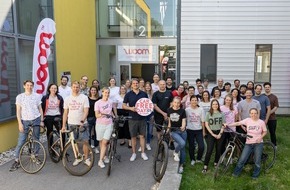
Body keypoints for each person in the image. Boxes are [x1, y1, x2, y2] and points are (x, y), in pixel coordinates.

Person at [10, 80, 44, 172]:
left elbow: (40, 109)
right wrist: (19, 123)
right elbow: (18, 111)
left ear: (33, 86)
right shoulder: (20, 97)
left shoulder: (37, 96)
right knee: (21, 140)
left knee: (36, 139)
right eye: (28, 85)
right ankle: (17, 160)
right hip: (24, 120)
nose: (29, 87)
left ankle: (35, 156)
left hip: (36, 119)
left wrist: (41, 120)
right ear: (24, 86)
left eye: (31, 85)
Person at [228, 108, 267, 179]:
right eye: (252, 113)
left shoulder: (261, 122)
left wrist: (260, 137)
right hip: (248, 143)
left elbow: (265, 132)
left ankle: (255, 176)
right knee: (242, 159)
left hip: (258, 143)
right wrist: (228, 125)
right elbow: (238, 123)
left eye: (255, 113)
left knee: (257, 161)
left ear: (257, 114)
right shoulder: (247, 120)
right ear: (249, 114)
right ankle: (235, 174)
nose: (253, 115)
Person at [62, 81, 91, 167]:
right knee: (75, 142)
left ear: (80, 88)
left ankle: (86, 158)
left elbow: (86, 110)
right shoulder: (67, 99)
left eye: (77, 87)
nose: (76, 88)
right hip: (71, 123)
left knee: (85, 141)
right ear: (71, 87)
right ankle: (78, 157)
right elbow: (65, 113)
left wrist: (83, 120)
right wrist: (63, 125)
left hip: (83, 124)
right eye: (74, 87)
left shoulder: (84, 97)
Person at [123, 78, 149, 161]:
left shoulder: (144, 94)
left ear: (139, 84)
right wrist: (130, 108)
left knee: (142, 136)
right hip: (132, 118)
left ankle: (143, 153)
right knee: (133, 137)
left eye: (137, 83)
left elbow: (148, 104)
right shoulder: (128, 94)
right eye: (133, 83)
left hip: (142, 118)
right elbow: (123, 106)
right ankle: (134, 153)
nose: (135, 84)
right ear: (131, 85)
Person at [202, 99, 225, 174]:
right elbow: (206, 124)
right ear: (211, 105)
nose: (215, 105)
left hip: (219, 132)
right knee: (209, 150)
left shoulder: (221, 113)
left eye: (216, 104)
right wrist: (212, 134)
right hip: (211, 133)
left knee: (218, 149)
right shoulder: (208, 113)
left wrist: (220, 134)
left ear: (218, 105)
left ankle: (216, 163)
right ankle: (205, 166)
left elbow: (223, 124)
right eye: (213, 104)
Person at [94, 87, 115, 168]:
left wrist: (114, 116)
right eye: (105, 92)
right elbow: (96, 115)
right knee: (101, 142)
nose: (107, 94)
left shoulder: (110, 102)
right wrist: (103, 114)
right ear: (102, 93)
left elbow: (111, 111)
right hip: (99, 124)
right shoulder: (97, 103)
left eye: (108, 93)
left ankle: (100, 160)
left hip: (109, 124)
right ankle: (104, 156)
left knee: (105, 142)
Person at [41, 83, 64, 151]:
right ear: (49, 89)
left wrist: (62, 116)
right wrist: (42, 118)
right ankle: (51, 149)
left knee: (62, 133)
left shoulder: (59, 97)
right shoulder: (45, 97)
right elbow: (42, 108)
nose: (54, 89)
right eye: (52, 88)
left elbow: (62, 108)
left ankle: (63, 149)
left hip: (57, 116)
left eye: (55, 88)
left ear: (57, 89)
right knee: (50, 132)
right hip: (48, 117)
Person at [167, 97, 187, 174]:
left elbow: (184, 120)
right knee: (182, 143)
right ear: (172, 102)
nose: (176, 104)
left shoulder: (182, 111)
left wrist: (183, 126)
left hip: (182, 131)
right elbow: (169, 122)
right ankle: (175, 152)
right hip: (174, 131)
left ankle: (181, 165)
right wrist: (168, 130)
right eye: (175, 102)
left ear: (180, 104)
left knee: (183, 148)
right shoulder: (169, 110)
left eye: (178, 103)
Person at [185, 95, 204, 166]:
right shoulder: (187, 110)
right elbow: (184, 119)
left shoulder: (201, 109)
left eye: (195, 100)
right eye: (192, 100)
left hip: (199, 130)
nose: (194, 101)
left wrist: (204, 131)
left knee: (201, 146)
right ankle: (192, 159)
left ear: (198, 101)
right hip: (190, 130)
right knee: (191, 146)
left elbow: (203, 121)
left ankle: (198, 159)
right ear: (190, 101)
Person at [263, 82, 279, 147]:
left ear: (270, 88)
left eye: (268, 87)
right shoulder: (262, 96)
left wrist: (269, 113)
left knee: (272, 132)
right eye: (266, 87)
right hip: (263, 118)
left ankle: (274, 145)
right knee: (261, 132)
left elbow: (276, 107)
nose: (267, 88)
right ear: (264, 88)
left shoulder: (274, 97)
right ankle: (260, 144)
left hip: (272, 118)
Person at [87, 86, 100, 154]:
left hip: (97, 118)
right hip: (89, 117)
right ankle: (89, 148)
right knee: (88, 133)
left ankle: (96, 147)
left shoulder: (99, 99)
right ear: (90, 91)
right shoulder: (87, 99)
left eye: (95, 90)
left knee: (96, 133)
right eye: (92, 90)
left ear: (97, 91)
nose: (93, 91)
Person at [144, 82, 154, 151]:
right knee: (143, 130)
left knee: (150, 130)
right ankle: (142, 144)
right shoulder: (142, 94)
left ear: (150, 87)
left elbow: (154, 105)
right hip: (143, 114)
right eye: (146, 86)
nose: (147, 87)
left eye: (149, 86)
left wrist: (153, 114)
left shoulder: (153, 95)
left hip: (151, 114)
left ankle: (148, 143)